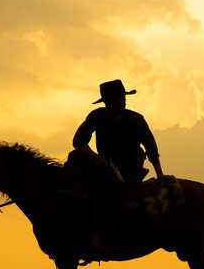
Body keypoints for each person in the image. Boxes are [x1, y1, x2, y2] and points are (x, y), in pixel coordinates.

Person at [67, 79, 165, 250]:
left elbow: (151, 149)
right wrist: (96, 158)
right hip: (104, 164)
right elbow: (79, 141)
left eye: (123, 97)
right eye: (119, 98)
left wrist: (160, 174)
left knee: (107, 190)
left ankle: (104, 235)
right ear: (108, 102)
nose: (123, 101)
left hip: (129, 168)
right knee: (74, 158)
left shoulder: (135, 119)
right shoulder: (97, 116)